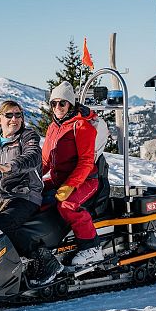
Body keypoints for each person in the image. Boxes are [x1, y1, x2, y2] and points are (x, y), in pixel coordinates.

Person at [0, 100, 63, 286]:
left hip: (25, 195)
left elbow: (31, 157)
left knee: (2, 226)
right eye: (9, 115)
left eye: (18, 115)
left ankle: (46, 260)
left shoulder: (27, 136)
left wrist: (9, 166)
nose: (14, 119)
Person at [42, 81, 103, 266]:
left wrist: (70, 185)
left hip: (86, 180)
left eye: (62, 103)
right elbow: (46, 160)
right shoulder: (54, 126)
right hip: (59, 179)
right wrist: (30, 178)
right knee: (32, 195)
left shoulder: (82, 126)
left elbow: (86, 162)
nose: (57, 107)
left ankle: (91, 248)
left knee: (67, 204)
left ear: (70, 104)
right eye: (54, 103)